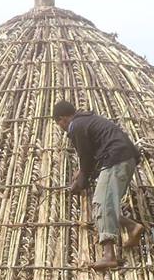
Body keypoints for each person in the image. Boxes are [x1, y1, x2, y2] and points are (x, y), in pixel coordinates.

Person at [52, 100, 146, 270]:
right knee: (107, 205)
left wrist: (80, 181)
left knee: (101, 202)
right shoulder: (89, 120)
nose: (61, 127)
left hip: (116, 159)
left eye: (59, 123)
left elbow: (86, 158)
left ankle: (109, 255)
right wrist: (83, 173)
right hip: (126, 158)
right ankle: (132, 227)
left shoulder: (76, 126)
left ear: (62, 119)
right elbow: (95, 158)